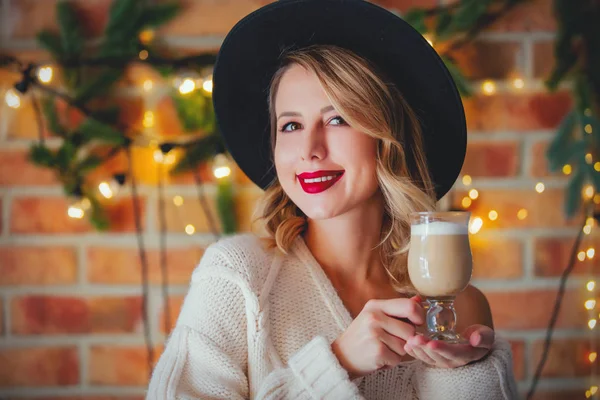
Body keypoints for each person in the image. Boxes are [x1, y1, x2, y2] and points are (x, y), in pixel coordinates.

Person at [147, 0, 518, 399]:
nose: (309, 148)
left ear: (386, 136)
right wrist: (338, 363)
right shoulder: (236, 279)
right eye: (290, 125)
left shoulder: (455, 306)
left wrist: (463, 375)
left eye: (337, 118)